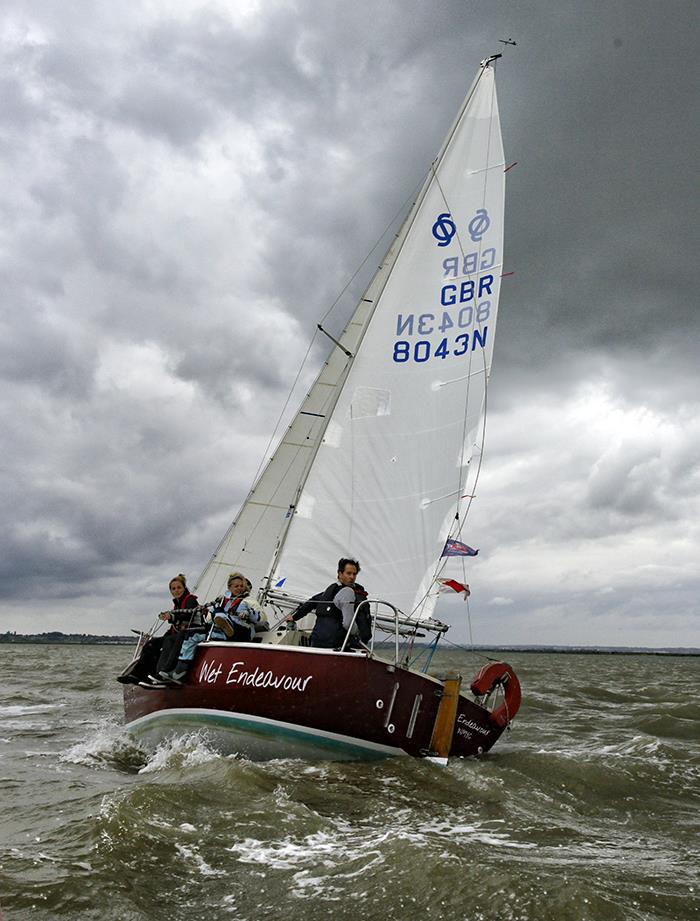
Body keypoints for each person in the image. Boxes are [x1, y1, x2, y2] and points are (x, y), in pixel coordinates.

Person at [163, 572, 260, 684]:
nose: (239, 588)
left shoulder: (249, 601)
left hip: (242, 631)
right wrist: (207, 611)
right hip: (221, 632)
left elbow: (260, 618)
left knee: (220, 615)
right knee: (191, 636)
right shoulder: (222, 600)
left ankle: (224, 622)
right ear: (229, 587)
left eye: (241, 586)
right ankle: (180, 670)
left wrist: (247, 614)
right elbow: (211, 614)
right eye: (236, 586)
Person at [289, 558, 371, 649]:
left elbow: (310, 603)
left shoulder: (328, 592)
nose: (352, 577)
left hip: (316, 643)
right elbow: (348, 623)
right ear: (340, 574)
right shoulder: (348, 592)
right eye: (348, 573)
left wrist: (294, 617)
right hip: (337, 646)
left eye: (354, 574)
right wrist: (358, 635)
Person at [153, 574, 203, 680]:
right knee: (152, 644)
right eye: (173, 589)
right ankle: (141, 673)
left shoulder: (190, 600)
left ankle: (164, 671)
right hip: (179, 634)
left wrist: (171, 616)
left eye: (179, 588)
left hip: (193, 632)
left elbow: (187, 615)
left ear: (184, 588)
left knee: (169, 640)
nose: (176, 591)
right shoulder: (177, 604)